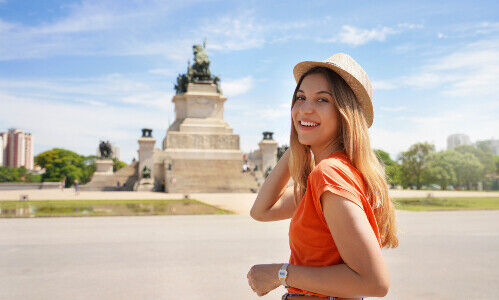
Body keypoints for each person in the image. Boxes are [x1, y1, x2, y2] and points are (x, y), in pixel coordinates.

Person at [247, 53, 398, 300]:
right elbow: (262, 210)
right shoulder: (338, 173)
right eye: (300, 98)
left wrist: (280, 274)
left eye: (322, 100)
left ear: (344, 113)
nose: (306, 108)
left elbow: (374, 282)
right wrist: (300, 140)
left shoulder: (329, 174)